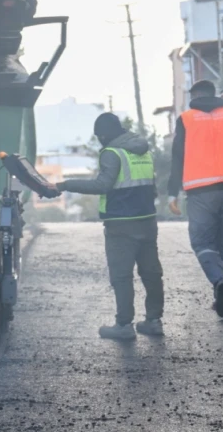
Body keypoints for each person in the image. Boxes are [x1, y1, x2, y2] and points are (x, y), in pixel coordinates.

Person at [56, 113, 164, 341]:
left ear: (104, 134)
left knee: (122, 275)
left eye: (99, 137)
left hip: (120, 224)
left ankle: (124, 325)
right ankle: (154, 321)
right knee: (151, 272)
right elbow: (151, 187)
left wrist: (65, 184)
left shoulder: (111, 153)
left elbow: (102, 185)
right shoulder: (143, 150)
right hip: (147, 220)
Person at [167, 79, 223, 318]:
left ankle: (219, 281)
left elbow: (177, 157)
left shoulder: (186, 119)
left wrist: (172, 191)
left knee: (202, 243)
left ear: (194, 96)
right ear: (214, 95)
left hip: (200, 191)